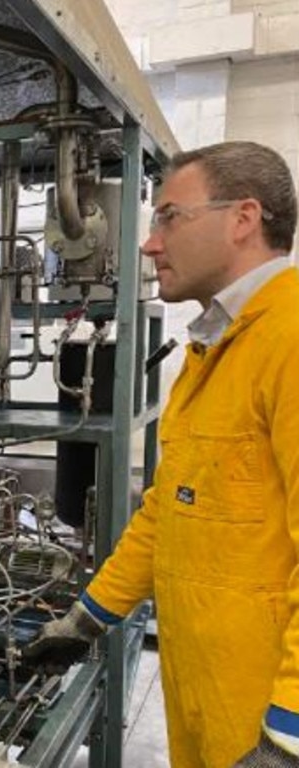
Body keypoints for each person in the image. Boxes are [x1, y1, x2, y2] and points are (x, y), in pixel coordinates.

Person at [22, 141, 299, 768]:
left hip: (262, 721)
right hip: (205, 698)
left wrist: (288, 735)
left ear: (243, 219)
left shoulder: (290, 338)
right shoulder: (215, 348)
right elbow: (168, 513)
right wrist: (88, 618)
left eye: (169, 217)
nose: (149, 244)